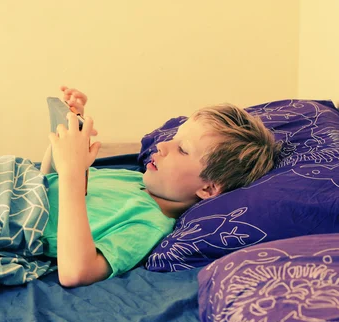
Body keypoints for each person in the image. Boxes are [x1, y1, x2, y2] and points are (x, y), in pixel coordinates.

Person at [40, 86, 281, 287]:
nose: (163, 145)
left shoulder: (148, 224)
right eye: (174, 138)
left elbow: (76, 273)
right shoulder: (135, 180)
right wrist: (67, 137)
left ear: (208, 189)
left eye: (183, 149)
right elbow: (49, 184)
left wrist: (72, 172)